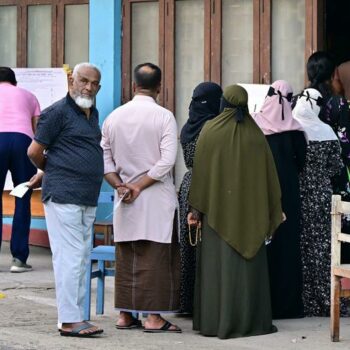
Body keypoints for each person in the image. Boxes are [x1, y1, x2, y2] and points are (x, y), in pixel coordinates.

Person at [187, 84, 283, 339]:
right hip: (251, 216)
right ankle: (252, 321)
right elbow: (270, 179)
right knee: (247, 269)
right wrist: (271, 212)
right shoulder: (256, 135)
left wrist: (195, 209)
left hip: (216, 215)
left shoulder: (210, 131)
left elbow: (201, 173)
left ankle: (215, 321)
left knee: (218, 268)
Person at [101, 62, 181, 333]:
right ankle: (153, 318)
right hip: (156, 198)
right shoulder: (164, 117)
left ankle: (125, 315)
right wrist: (139, 186)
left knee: (127, 256)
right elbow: (167, 162)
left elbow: (106, 162)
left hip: (124, 199)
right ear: (159, 87)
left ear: (133, 86)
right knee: (156, 257)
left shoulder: (113, 117)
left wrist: (122, 186)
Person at [27, 62, 104, 337]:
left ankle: (76, 317)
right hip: (63, 195)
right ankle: (69, 320)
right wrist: (52, 170)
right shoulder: (56, 113)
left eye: (95, 83)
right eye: (84, 81)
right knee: (70, 258)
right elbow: (34, 152)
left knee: (82, 258)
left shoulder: (91, 113)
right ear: (71, 79)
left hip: (86, 196)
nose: (89, 87)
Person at [253, 80, 307, 319]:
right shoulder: (296, 129)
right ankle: (288, 306)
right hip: (290, 194)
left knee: (266, 245)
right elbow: (301, 164)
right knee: (288, 246)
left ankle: (265, 304)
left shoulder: (256, 125)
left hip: (263, 193)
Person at [292, 88, 344, 316]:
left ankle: (305, 301)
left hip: (298, 196)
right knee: (323, 249)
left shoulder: (290, 128)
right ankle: (326, 299)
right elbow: (335, 167)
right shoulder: (327, 131)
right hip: (322, 196)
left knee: (301, 248)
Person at [296, 51, 350, 261]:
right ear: (332, 75)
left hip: (301, 184)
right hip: (332, 182)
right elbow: (345, 146)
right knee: (336, 239)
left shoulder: (297, 102)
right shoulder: (336, 105)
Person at [178, 81, 222, 314]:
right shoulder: (216, 127)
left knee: (188, 244)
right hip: (209, 187)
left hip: (188, 185)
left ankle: (187, 301)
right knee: (207, 245)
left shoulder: (188, 127)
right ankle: (206, 301)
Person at [0, 67, 41, 272]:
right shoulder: (29, 96)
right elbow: (37, 129)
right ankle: (19, 259)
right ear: (15, 82)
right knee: (22, 196)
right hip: (23, 141)